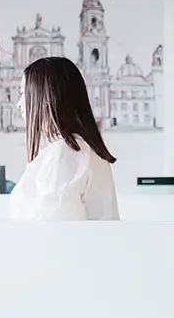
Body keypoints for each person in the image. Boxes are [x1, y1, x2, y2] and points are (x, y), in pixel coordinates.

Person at [10, 55, 120, 221]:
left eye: (24, 93)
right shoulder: (77, 148)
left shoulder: (65, 152)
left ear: (46, 97)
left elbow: (52, 227)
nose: (19, 103)